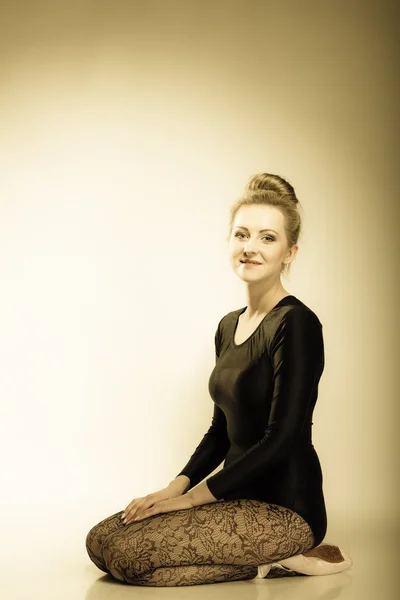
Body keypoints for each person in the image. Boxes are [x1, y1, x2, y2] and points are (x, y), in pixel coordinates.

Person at [85, 173, 348, 586]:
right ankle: (268, 563)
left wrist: (192, 501)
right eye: (242, 234)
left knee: (128, 557)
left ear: (289, 252)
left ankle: (292, 551)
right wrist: (173, 489)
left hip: (286, 507)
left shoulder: (297, 323)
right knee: (101, 540)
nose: (250, 247)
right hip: (232, 497)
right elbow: (220, 432)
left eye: (267, 238)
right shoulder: (228, 326)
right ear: (229, 241)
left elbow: (282, 438)